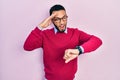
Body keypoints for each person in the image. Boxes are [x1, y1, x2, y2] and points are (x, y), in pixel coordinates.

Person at [23, 4, 102, 80]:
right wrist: (40, 26)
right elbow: (27, 46)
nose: (62, 23)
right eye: (57, 19)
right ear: (52, 20)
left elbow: (97, 40)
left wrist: (79, 50)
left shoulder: (75, 33)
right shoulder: (45, 35)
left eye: (64, 18)